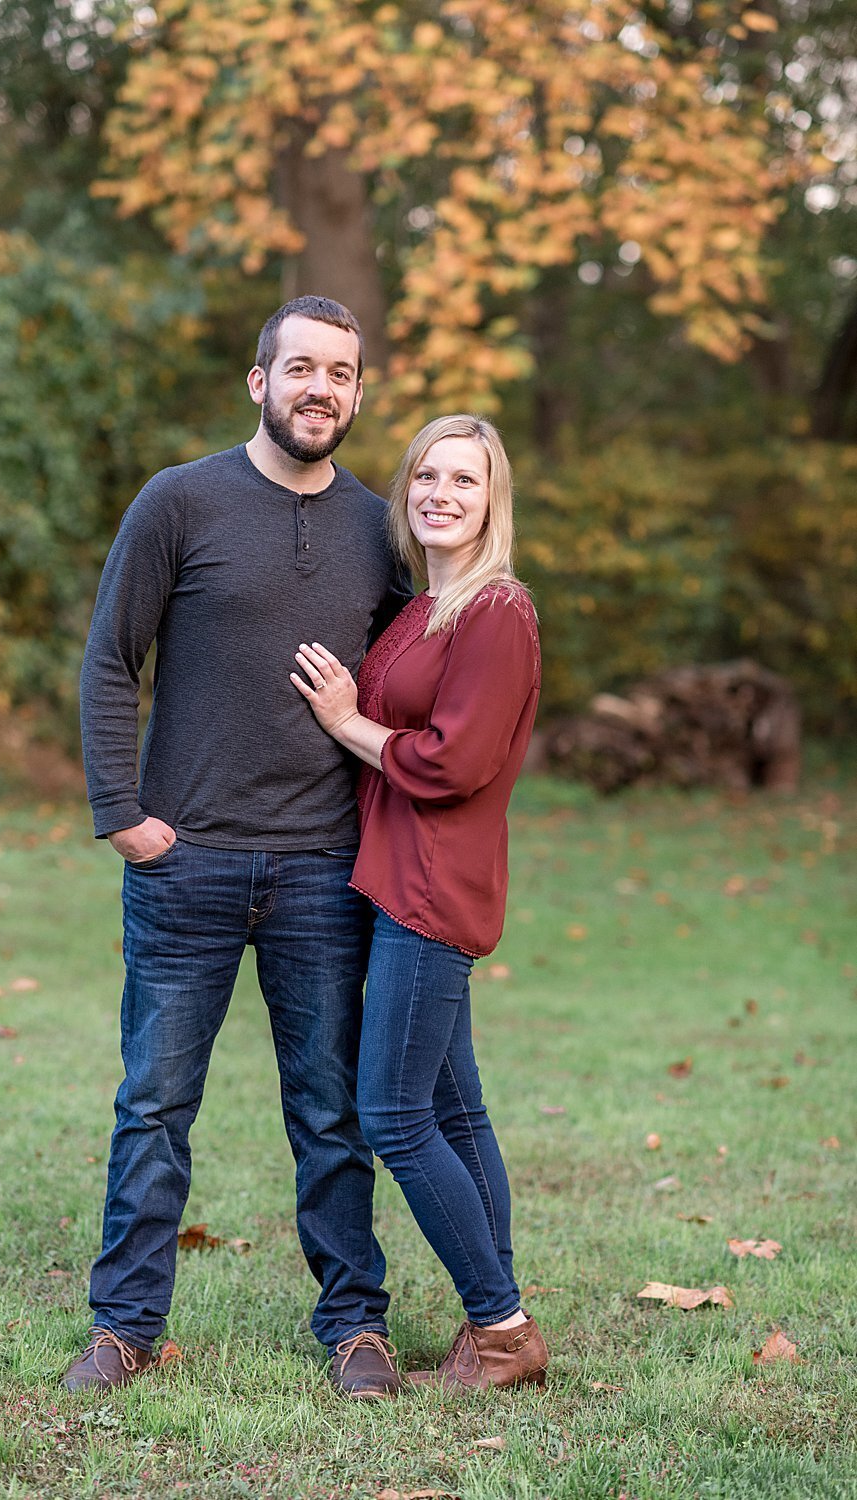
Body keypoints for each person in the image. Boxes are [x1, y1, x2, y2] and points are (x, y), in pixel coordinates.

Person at [65, 296, 409, 1400]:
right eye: (299, 367)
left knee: (329, 1110)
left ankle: (355, 1327)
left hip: (321, 867)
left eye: (340, 373)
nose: (320, 388)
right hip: (187, 860)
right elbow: (111, 660)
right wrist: (121, 810)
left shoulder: (374, 529)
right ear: (257, 381)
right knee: (155, 1104)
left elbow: (410, 681)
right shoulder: (180, 501)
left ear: (358, 394)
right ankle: (125, 1326)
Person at [290, 413, 548, 1391]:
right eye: (427, 476)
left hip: (431, 887)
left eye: (465, 481)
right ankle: (502, 1325)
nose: (441, 493)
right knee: (455, 1107)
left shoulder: (495, 611)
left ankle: (500, 1326)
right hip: (398, 874)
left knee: (394, 1114)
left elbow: (453, 762)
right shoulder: (422, 607)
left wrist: (349, 722)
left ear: (493, 503)